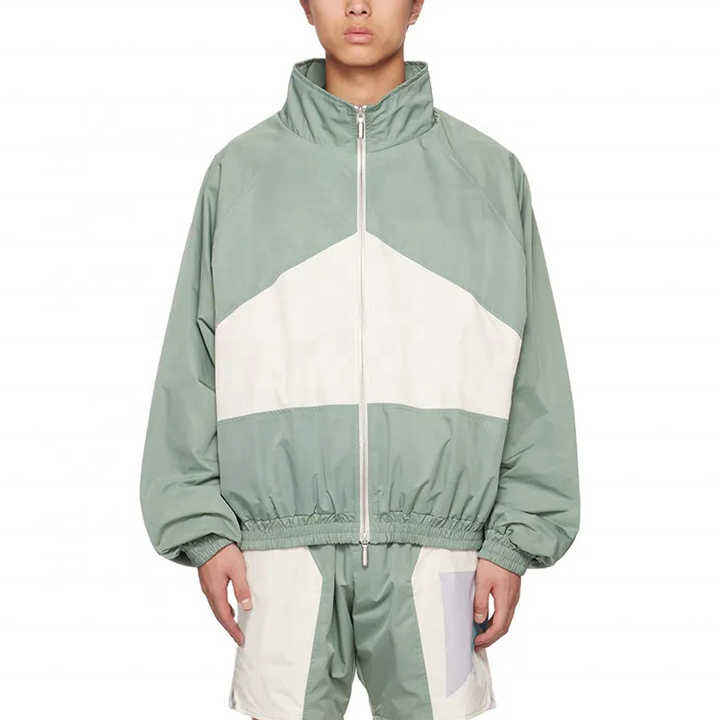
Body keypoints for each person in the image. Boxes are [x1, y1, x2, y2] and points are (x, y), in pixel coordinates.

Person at [139, 1, 580, 718]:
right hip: (276, 558)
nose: (358, 4)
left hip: (447, 556)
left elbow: (539, 376)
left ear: (418, 3)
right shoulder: (239, 175)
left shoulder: (490, 178)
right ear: (304, 4)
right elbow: (189, 363)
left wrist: (513, 541)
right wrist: (203, 528)